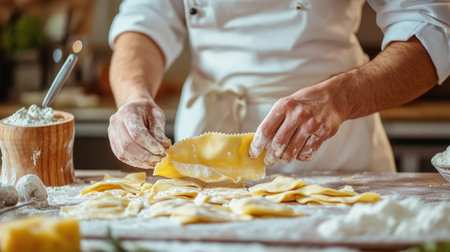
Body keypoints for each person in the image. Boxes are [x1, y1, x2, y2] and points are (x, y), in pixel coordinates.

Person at [107, 0, 450, 173]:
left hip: (335, 146)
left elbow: (431, 26)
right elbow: (143, 24)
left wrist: (340, 98)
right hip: (208, 155)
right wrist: (134, 96)